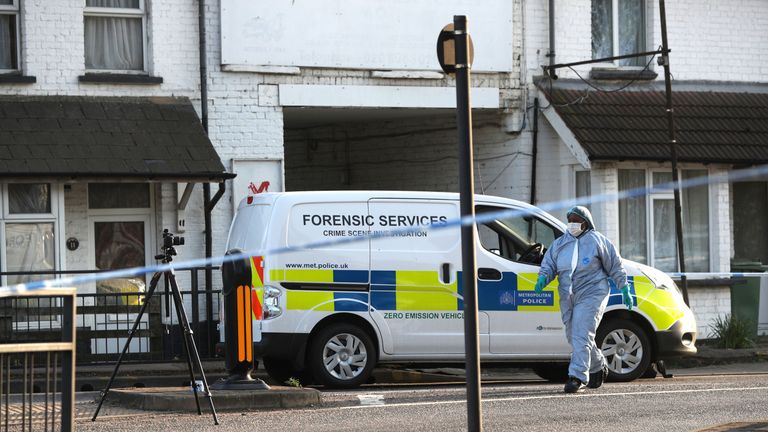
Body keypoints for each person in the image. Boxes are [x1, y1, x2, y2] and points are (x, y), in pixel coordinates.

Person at [534, 205, 633, 393]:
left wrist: (624, 287)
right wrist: (543, 279)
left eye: (576, 220)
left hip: (593, 293)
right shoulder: (560, 244)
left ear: (586, 223)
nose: (572, 224)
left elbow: (616, 266)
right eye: (570, 220)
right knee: (573, 334)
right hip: (568, 295)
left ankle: (577, 377)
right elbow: (549, 265)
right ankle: (598, 364)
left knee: (581, 332)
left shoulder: (598, 242)